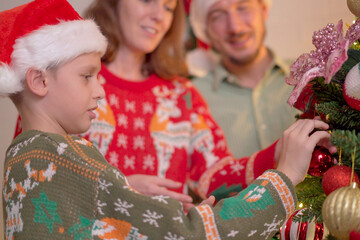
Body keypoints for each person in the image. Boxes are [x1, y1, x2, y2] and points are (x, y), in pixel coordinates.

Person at [0, 1, 332, 239]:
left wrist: (288, 151)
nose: (159, 15)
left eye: (170, 7)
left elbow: (215, 175)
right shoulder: (61, 92)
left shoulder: (181, 96)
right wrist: (124, 186)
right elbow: (46, 188)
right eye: (148, 0)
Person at [188, 0, 300, 158]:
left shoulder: (313, 78)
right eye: (218, 16)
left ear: (264, 10)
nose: (235, 27)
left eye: (243, 8)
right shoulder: (190, 99)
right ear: (205, 31)